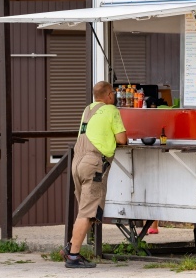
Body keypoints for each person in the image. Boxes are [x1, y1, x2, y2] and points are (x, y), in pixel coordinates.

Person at [62, 81, 127, 268]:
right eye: (112, 94)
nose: (113, 97)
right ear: (108, 96)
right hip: (93, 163)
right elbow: (121, 139)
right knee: (88, 211)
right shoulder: (111, 110)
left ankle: (70, 247)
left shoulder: (87, 109)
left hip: (77, 161)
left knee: (85, 209)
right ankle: (73, 256)